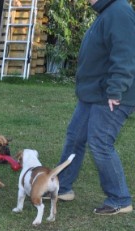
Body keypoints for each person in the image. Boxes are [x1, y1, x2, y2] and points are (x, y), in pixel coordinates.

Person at [56, 0, 135, 215]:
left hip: (111, 94)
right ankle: (61, 188)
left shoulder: (119, 11)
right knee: (75, 137)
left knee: (100, 142)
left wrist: (116, 88)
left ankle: (120, 199)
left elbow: (126, 53)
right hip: (94, 93)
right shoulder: (107, 12)